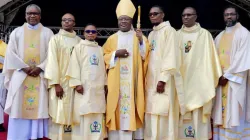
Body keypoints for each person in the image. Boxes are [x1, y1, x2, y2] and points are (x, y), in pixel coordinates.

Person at [3, 4, 54, 139]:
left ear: (40, 16)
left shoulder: (48, 33)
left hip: (40, 75)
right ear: (25, 15)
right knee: (18, 105)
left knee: (38, 106)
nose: (32, 16)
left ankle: (34, 135)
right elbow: (11, 53)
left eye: (35, 13)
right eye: (29, 13)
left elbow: (52, 55)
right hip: (21, 75)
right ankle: (18, 136)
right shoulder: (17, 32)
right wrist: (24, 67)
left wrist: (40, 67)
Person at [103, 0, 150, 139]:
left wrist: (141, 40)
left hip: (132, 82)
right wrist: (115, 54)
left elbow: (145, 55)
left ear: (131, 21)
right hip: (116, 82)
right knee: (116, 105)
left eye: (127, 19)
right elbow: (104, 56)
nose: (123, 21)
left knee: (132, 103)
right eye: (121, 19)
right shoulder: (112, 38)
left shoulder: (138, 36)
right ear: (118, 21)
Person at [177, 7, 222, 140]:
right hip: (183, 82)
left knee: (199, 115)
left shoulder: (205, 34)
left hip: (199, 83)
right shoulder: (177, 35)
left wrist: (214, 75)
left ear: (196, 17)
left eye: (189, 15)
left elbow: (212, 59)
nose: (186, 17)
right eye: (183, 15)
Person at [144, 5, 183, 140]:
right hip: (151, 80)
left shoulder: (170, 31)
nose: (153, 16)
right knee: (152, 112)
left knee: (165, 112)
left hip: (164, 81)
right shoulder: (151, 34)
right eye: (150, 14)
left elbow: (170, 56)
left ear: (163, 15)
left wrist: (162, 79)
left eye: (156, 13)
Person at [212, 6, 250, 140]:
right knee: (221, 112)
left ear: (237, 16)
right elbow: (214, 58)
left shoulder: (244, 33)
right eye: (226, 14)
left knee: (234, 111)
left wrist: (227, 76)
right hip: (221, 81)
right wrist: (217, 76)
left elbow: (243, 58)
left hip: (234, 81)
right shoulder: (219, 36)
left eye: (232, 14)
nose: (229, 17)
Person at [66, 23, 107, 140]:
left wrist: (105, 84)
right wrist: (77, 84)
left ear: (96, 34)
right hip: (84, 88)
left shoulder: (100, 49)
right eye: (88, 31)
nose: (90, 33)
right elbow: (73, 66)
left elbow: (103, 68)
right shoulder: (79, 47)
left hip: (98, 89)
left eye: (93, 32)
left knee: (97, 113)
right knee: (85, 112)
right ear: (84, 33)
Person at [45, 13, 81, 140]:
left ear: (74, 23)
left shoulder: (79, 41)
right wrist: (56, 84)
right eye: (64, 20)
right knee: (59, 111)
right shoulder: (55, 39)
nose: (66, 22)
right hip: (60, 83)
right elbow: (52, 62)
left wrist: (79, 83)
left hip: (75, 84)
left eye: (69, 20)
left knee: (74, 111)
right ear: (61, 22)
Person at [0, 40, 7, 132]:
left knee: (0, 99)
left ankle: (0, 122)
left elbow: (8, 61)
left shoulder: (5, 46)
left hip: (1, 74)